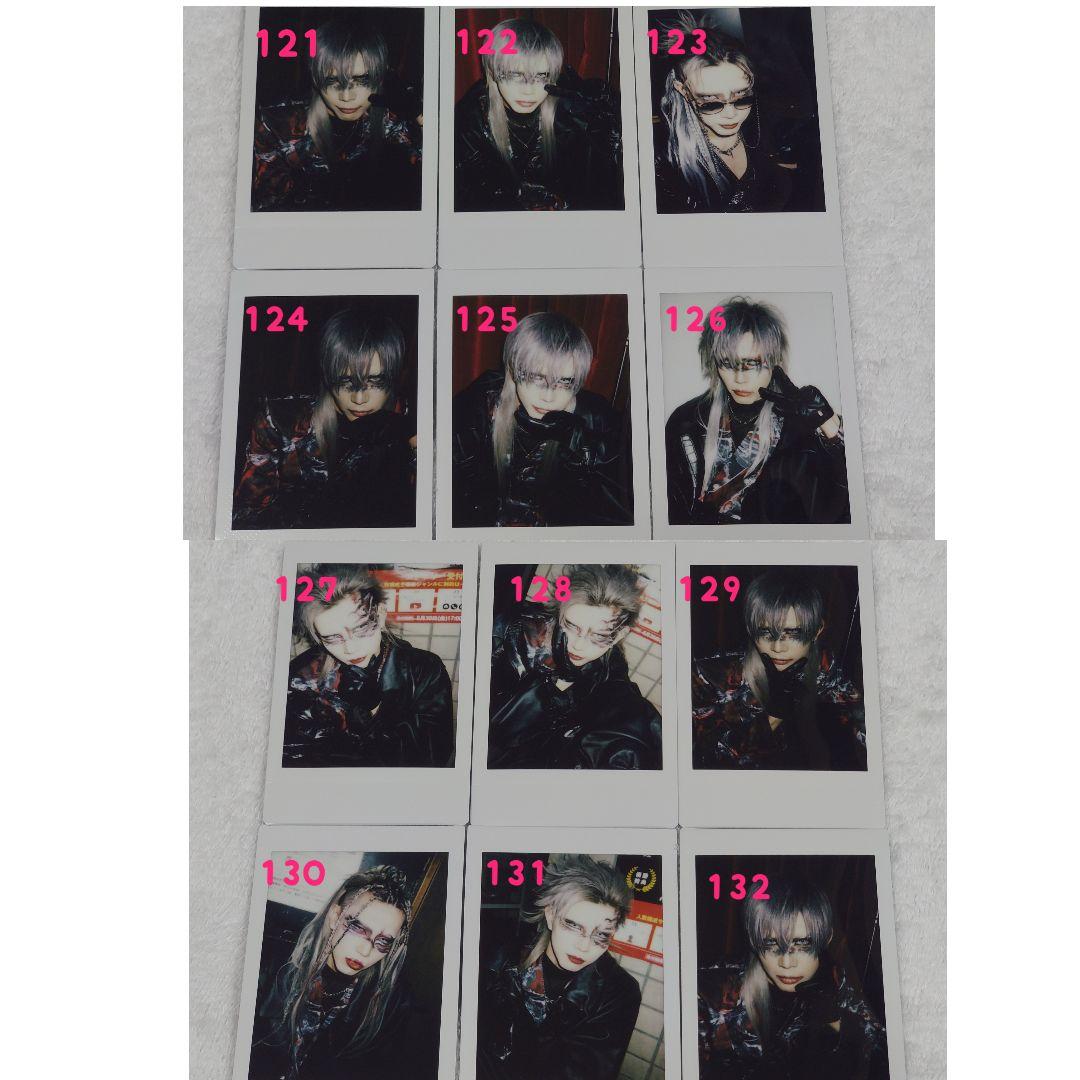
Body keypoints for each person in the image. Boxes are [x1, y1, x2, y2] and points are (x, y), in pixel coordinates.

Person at [665, 296, 849, 526]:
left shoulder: (798, 428)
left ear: (774, 361)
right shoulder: (686, 422)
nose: (739, 378)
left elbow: (843, 506)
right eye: (727, 363)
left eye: (752, 364)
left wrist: (828, 424)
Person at [233, 306, 416, 530]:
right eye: (345, 382)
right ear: (328, 376)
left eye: (375, 382)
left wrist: (415, 442)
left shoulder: (405, 416)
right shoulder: (281, 421)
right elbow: (247, 516)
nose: (359, 399)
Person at [452, 311, 633, 527]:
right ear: (514, 369)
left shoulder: (596, 420)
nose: (548, 397)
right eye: (537, 378)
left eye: (564, 382)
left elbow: (617, 511)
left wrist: (579, 448)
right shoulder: (485, 400)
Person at [698, 877, 889, 1079]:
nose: (787, 963)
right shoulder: (713, 989)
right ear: (753, 941)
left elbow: (881, 1054)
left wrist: (836, 1026)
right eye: (771, 944)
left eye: (802, 944)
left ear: (826, 939)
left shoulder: (835, 983)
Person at [249, 865, 426, 1080]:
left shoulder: (392, 1004)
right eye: (357, 927)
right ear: (335, 916)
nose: (365, 951)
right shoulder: (270, 964)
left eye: (383, 941)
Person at [478, 855, 641, 1080]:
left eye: (602, 935)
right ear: (550, 915)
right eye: (573, 926)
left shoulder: (618, 993)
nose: (584, 946)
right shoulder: (503, 956)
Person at [487, 564, 662, 769]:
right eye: (571, 626)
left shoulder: (609, 664)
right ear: (560, 610)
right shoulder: (509, 631)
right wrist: (545, 683)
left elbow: (623, 707)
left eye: (600, 636)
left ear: (618, 636)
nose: (578, 645)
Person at [691, 569, 865, 770]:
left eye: (793, 634)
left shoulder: (822, 664)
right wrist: (775, 713)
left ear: (817, 630)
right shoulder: (712, 673)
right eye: (766, 633)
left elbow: (857, 711)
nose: (778, 647)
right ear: (751, 630)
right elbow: (712, 757)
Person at [284, 566, 454, 767]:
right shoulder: (301, 680)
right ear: (318, 637)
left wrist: (373, 713)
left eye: (361, 629)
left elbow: (434, 757)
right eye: (332, 638)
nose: (350, 649)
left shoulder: (424, 670)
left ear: (380, 615)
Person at [252, 15, 423, 212]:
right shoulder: (276, 123)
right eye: (332, 81)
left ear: (380, 78)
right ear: (315, 79)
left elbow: (435, 169)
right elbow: (266, 205)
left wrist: (419, 114)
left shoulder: (388, 117)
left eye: (362, 81)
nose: (347, 96)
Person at [454, 17, 623, 211]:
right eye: (515, 75)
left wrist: (615, 129)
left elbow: (599, 194)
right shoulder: (472, 118)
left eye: (541, 76)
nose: (528, 90)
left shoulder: (572, 110)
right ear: (492, 72)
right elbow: (469, 197)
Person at [653, 20, 817, 213]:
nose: (731, 114)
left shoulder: (763, 126)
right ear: (683, 91)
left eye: (742, 97)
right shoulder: (666, 167)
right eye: (711, 102)